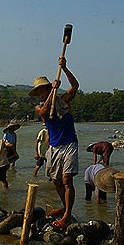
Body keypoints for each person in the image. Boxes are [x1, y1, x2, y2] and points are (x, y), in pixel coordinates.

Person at [29, 56, 79, 230]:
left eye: (45, 89)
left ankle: (67, 215)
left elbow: (75, 86)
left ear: (49, 87)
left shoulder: (62, 101)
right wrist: (52, 92)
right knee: (56, 181)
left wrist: (65, 68)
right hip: (54, 147)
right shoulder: (39, 106)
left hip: (69, 143)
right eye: (40, 91)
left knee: (66, 180)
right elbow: (43, 112)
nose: (43, 93)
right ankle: (65, 207)